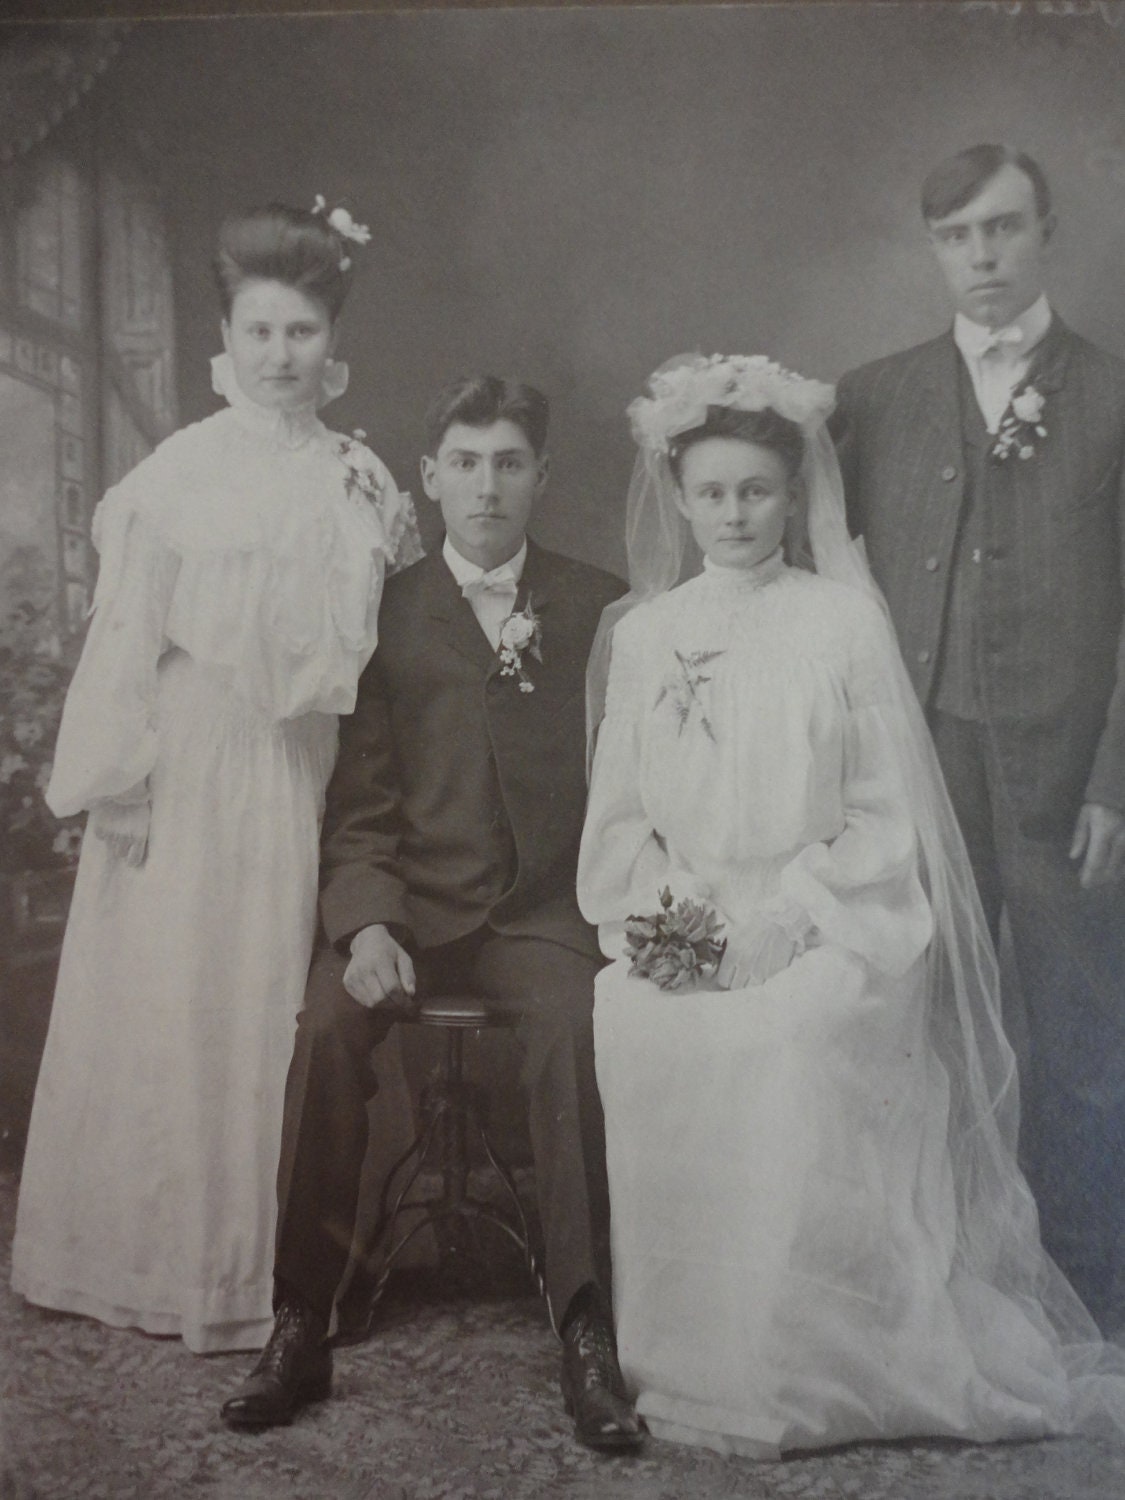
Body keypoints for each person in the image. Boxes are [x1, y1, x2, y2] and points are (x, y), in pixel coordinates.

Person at [577, 352, 1125, 1459]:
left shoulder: (841, 623)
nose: (735, 514)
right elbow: (620, 820)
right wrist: (669, 922)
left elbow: (886, 817)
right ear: (680, 499)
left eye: (757, 492)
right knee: (639, 1021)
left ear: (796, 496)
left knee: (796, 1029)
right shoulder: (643, 636)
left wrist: (788, 917)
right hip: (690, 917)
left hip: (831, 916)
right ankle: (694, 1357)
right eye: (715, 493)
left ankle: (810, 1359)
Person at [10, 201, 420, 1354]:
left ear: (331, 344)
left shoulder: (361, 481)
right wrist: (121, 785)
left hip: (302, 773)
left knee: (275, 1006)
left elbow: (383, 654)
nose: (280, 356)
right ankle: (171, 1259)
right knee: (182, 1001)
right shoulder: (176, 475)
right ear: (226, 339)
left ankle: (284, 1262)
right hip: (189, 767)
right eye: (260, 332)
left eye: (300, 333)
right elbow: (127, 637)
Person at [220, 374, 641, 1451]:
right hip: (407, 914)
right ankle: (300, 1320)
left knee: (575, 1028)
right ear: (430, 475)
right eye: (465, 462)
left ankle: (587, 1332)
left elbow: (638, 774)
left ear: (543, 476)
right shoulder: (388, 609)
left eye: (509, 464)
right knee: (324, 1029)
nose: (487, 486)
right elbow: (358, 799)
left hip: (539, 917)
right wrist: (367, 925)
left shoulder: (602, 604)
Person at [832, 144, 1125, 1336]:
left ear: (1048, 232)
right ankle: (944, 1263)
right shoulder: (873, 396)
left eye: (1003, 229)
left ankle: (1094, 1282)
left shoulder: (1112, 395)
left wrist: (1118, 773)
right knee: (925, 1015)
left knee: (1078, 1023)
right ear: (935, 249)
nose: (983, 255)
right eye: (958, 236)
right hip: (921, 757)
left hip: (1065, 771)